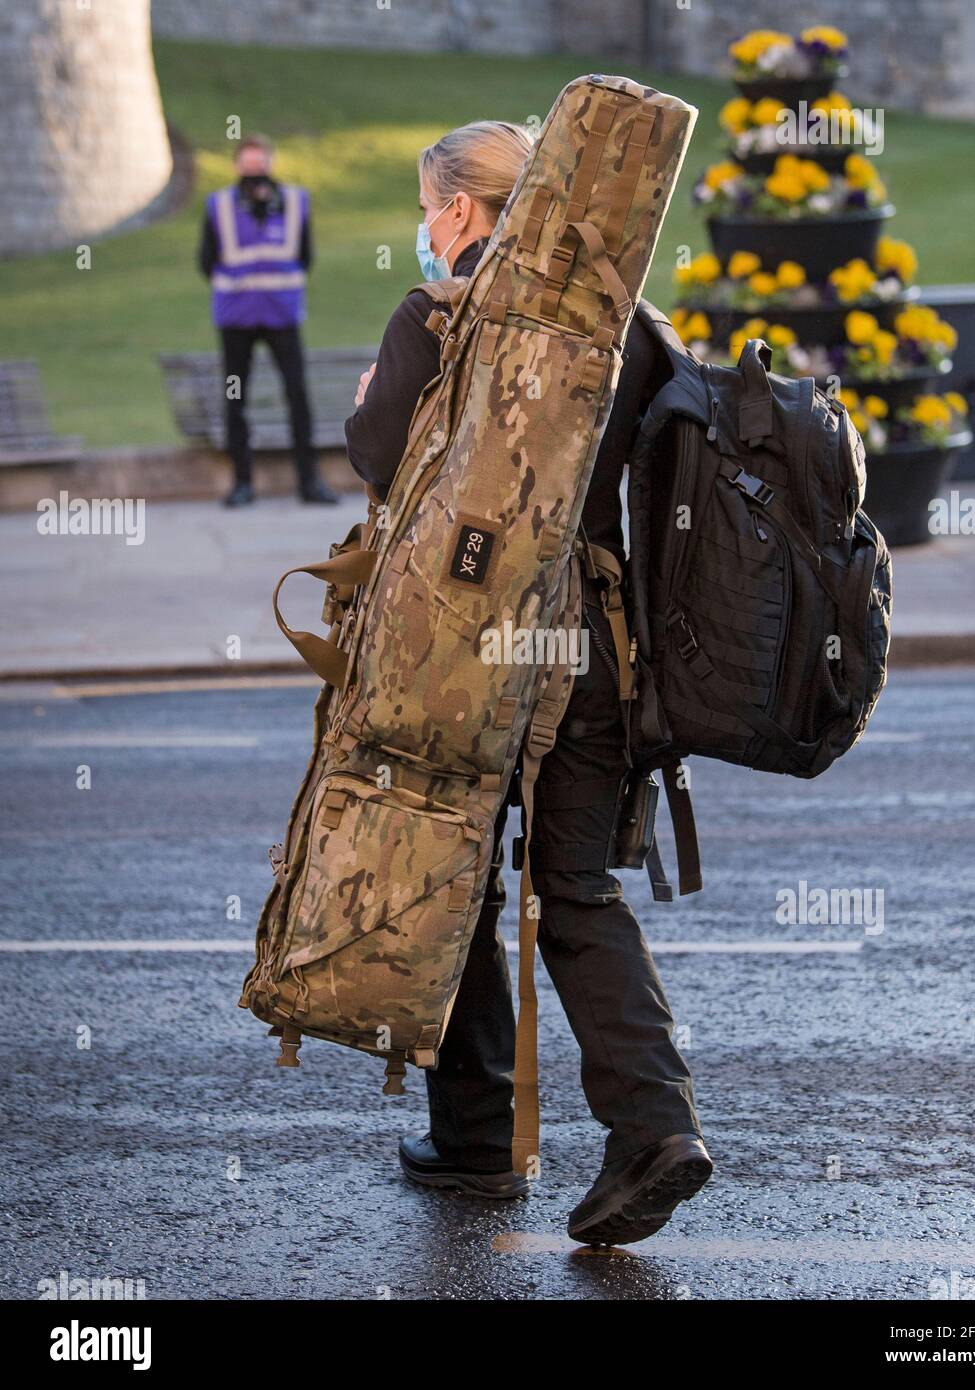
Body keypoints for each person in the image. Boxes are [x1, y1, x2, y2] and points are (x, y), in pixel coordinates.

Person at [345, 120, 711, 1246]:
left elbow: (377, 458)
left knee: (454, 876)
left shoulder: (441, 313)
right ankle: (654, 1128)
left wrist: (372, 395)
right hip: (605, 657)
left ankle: (477, 1141)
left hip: (470, 658)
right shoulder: (629, 322)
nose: (425, 225)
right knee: (579, 893)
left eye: (428, 204)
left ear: (458, 212)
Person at [198, 133, 338, 508]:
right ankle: (241, 483)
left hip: (282, 315)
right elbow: (205, 262)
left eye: (260, 164)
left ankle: (310, 482)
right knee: (235, 396)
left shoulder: (295, 202)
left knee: (296, 395)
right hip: (235, 320)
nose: (255, 173)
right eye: (248, 165)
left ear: (270, 164)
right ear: (237, 166)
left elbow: (306, 256)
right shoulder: (219, 206)